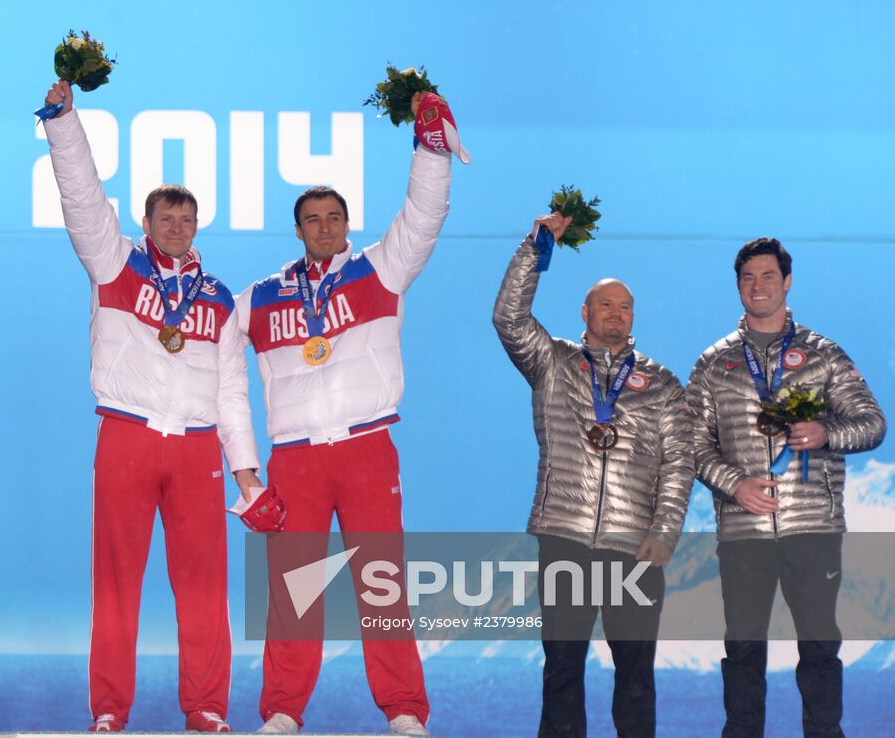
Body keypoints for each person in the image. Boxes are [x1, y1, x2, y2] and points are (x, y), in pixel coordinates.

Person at [40, 81, 260, 733]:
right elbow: (82, 198)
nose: (176, 228)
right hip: (127, 434)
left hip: (196, 446)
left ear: (197, 226)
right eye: (165, 218)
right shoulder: (113, 263)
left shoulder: (219, 298)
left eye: (186, 219)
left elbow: (232, 390)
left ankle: (207, 707)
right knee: (115, 581)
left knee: (204, 584)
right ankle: (110, 709)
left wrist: (248, 474)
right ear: (145, 224)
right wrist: (64, 124)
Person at [235, 91, 454, 736]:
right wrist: (244, 472)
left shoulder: (381, 270)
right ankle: (282, 710)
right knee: (294, 589)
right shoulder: (259, 298)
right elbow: (204, 363)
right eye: (312, 219)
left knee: (382, 585)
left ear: (348, 224)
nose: (324, 227)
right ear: (297, 230)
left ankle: (404, 709)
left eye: (333, 217)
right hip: (295, 457)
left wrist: (431, 148)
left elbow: (424, 215)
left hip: (366, 447)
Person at [492, 212, 694, 738]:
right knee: (562, 668)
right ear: (585, 312)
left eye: (625, 306)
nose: (616, 314)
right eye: (606, 304)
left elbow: (680, 461)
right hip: (565, 536)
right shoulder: (553, 362)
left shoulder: (662, 383)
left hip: (635, 545)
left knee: (635, 673)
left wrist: (665, 531)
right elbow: (509, 318)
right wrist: (536, 247)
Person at [687, 238, 884, 738]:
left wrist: (825, 433)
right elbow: (691, 446)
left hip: (812, 527)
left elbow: (872, 424)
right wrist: (735, 484)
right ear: (738, 286)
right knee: (742, 650)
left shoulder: (823, 354)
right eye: (748, 278)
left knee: (819, 647)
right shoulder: (713, 363)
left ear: (787, 282)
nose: (758, 286)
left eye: (768, 276)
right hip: (743, 530)